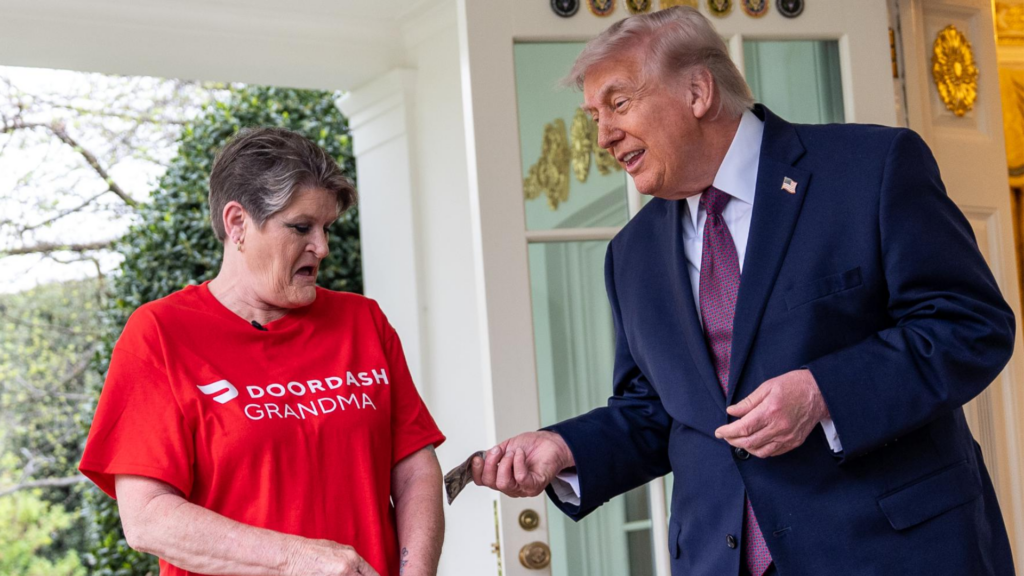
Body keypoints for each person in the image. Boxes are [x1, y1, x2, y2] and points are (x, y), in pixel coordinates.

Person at [472, 7, 1016, 576]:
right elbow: (659, 411)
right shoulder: (631, 255)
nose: (603, 136)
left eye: (619, 103)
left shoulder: (870, 168)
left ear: (698, 92)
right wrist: (564, 448)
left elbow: (969, 324)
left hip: (891, 554)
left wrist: (824, 393)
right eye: (594, 116)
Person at [79, 127, 445, 576]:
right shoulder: (160, 334)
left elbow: (413, 469)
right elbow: (147, 518)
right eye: (301, 227)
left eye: (327, 228)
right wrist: (296, 560)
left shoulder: (363, 322)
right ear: (238, 224)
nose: (322, 248)